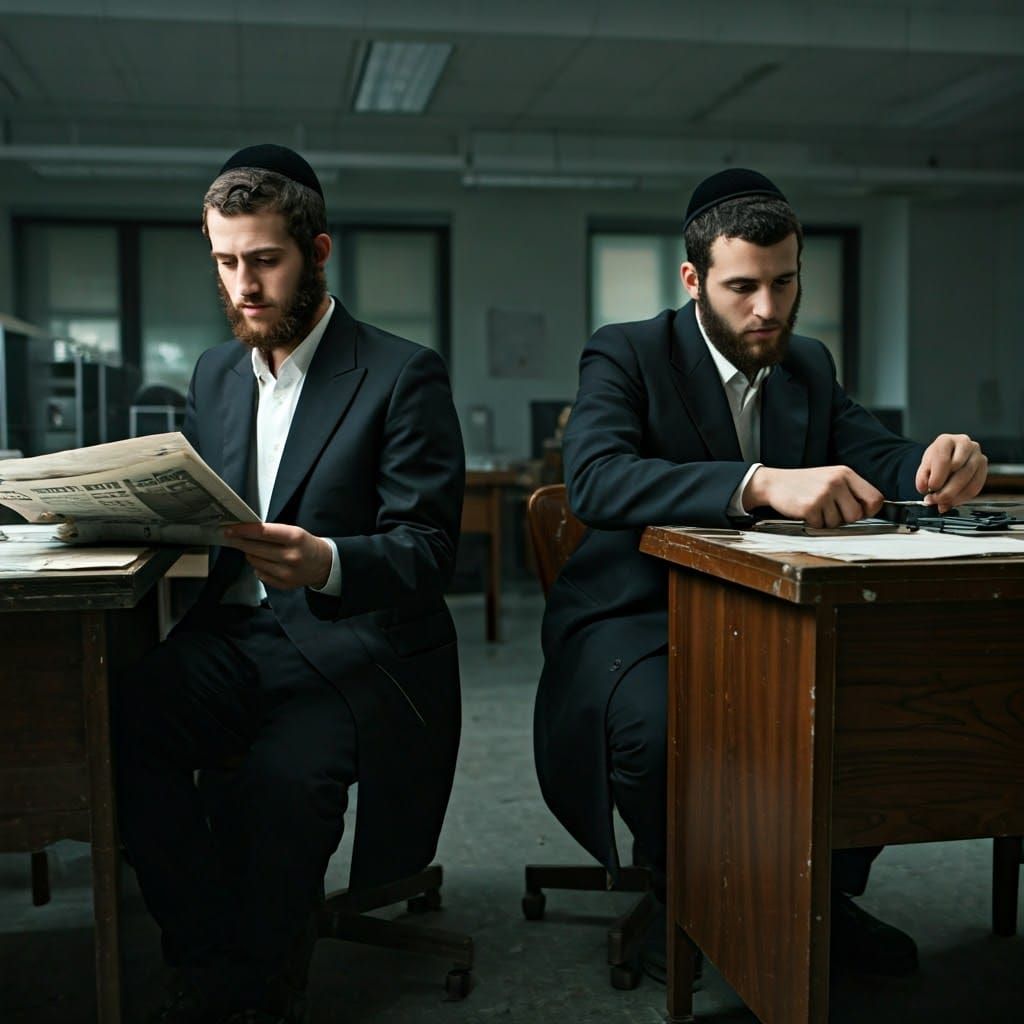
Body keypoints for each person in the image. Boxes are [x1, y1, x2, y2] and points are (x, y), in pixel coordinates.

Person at [533, 167, 987, 980]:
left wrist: (935, 460)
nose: (768, 309)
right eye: (743, 287)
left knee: (874, 710)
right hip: (640, 616)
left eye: (785, 283)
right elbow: (598, 479)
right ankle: (689, 898)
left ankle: (823, 896)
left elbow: (875, 453)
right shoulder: (627, 351)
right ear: (693, 279)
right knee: (661, 731)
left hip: (776, 609)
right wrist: (760, 481)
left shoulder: (806, 361)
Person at [114, 144, 465, 1024]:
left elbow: (428, 551)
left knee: (280, 786)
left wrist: (328, 561)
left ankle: (250, 988)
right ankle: (209, 953)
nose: (244, 286)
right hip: (228, 635)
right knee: (116, 726)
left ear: (316, 252)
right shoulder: (215, 373)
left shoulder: (400, 372)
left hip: (344, 645)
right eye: (226, 262)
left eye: (264, 260)